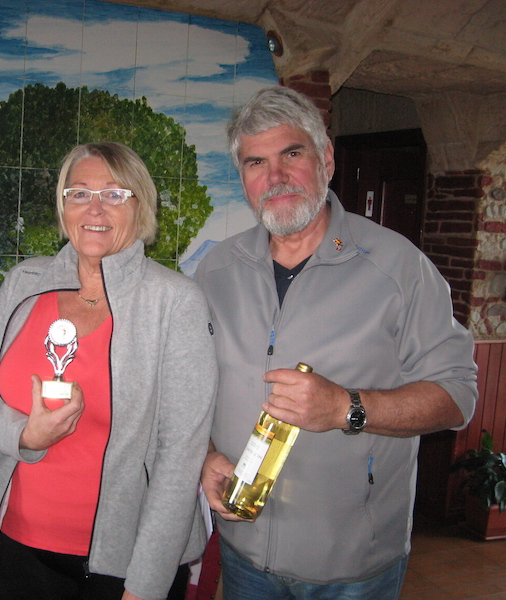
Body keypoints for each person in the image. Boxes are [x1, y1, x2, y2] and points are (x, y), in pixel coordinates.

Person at [195, 86, 478, 599]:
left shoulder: (399, 268)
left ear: (325, 158)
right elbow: (194, 388)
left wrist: (345, 408)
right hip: (244, 550)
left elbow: (457, 395)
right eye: (256, 162)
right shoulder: (216, 270)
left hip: (353, 563)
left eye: (292, 154)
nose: (275, 176)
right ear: (243, 177)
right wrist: (207, 456)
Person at [0, 141, 218, 600]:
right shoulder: (23, 283)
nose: (94, 208)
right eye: (78, 193)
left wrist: (146, 585)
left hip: (125, 561)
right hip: (19, 542)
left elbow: (180, 455)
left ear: (141, 207)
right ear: (63, 207)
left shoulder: (174, 301)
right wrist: (25, 436)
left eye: (115, 194)